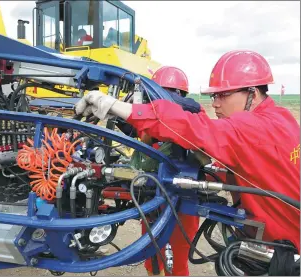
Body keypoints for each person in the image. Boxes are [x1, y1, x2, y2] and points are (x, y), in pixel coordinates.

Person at [75, 49, 301, 259]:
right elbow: (256, 168)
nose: (216, 104)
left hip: (283, 245)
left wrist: (115, 105)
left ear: (252, 92)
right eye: (214, 97)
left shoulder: (253, 127)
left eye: (222, 95)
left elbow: (194, 128)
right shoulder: (281, 118)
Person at [140, 66, 200, 276]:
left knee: (171, 256)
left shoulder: (191, 117)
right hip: (158, 199)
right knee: (156, 254)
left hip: (175, 200)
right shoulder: (192, 116)